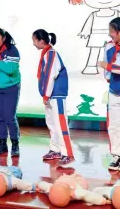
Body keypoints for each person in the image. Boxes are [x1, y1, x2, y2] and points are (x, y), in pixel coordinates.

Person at [32, 29, 74, 166]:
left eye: (34, 40)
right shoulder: (46, 54)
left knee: (60, 123)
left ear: (41, 41)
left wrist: (46, 94)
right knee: (51, 123)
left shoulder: (51, 54)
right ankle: (55, 149)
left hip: (56, 94)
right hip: (50, 95)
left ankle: (68, 153)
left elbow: (51, 75)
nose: (33, 44)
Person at [0, 27, 21, 157]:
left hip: (11, 86)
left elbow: (10, 70)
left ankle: (15, 143)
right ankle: (2, 143)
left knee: (10, 117)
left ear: (3, 38)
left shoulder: (12, 50)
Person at [98, 17, 120, 170]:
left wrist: (108, 66)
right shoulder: (108, 47)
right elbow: (105, 65)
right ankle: (117, 156)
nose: (110, 34)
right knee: (114, 126)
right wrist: (109, 77)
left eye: (112, 31)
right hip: (114, 91)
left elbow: (109, 65)